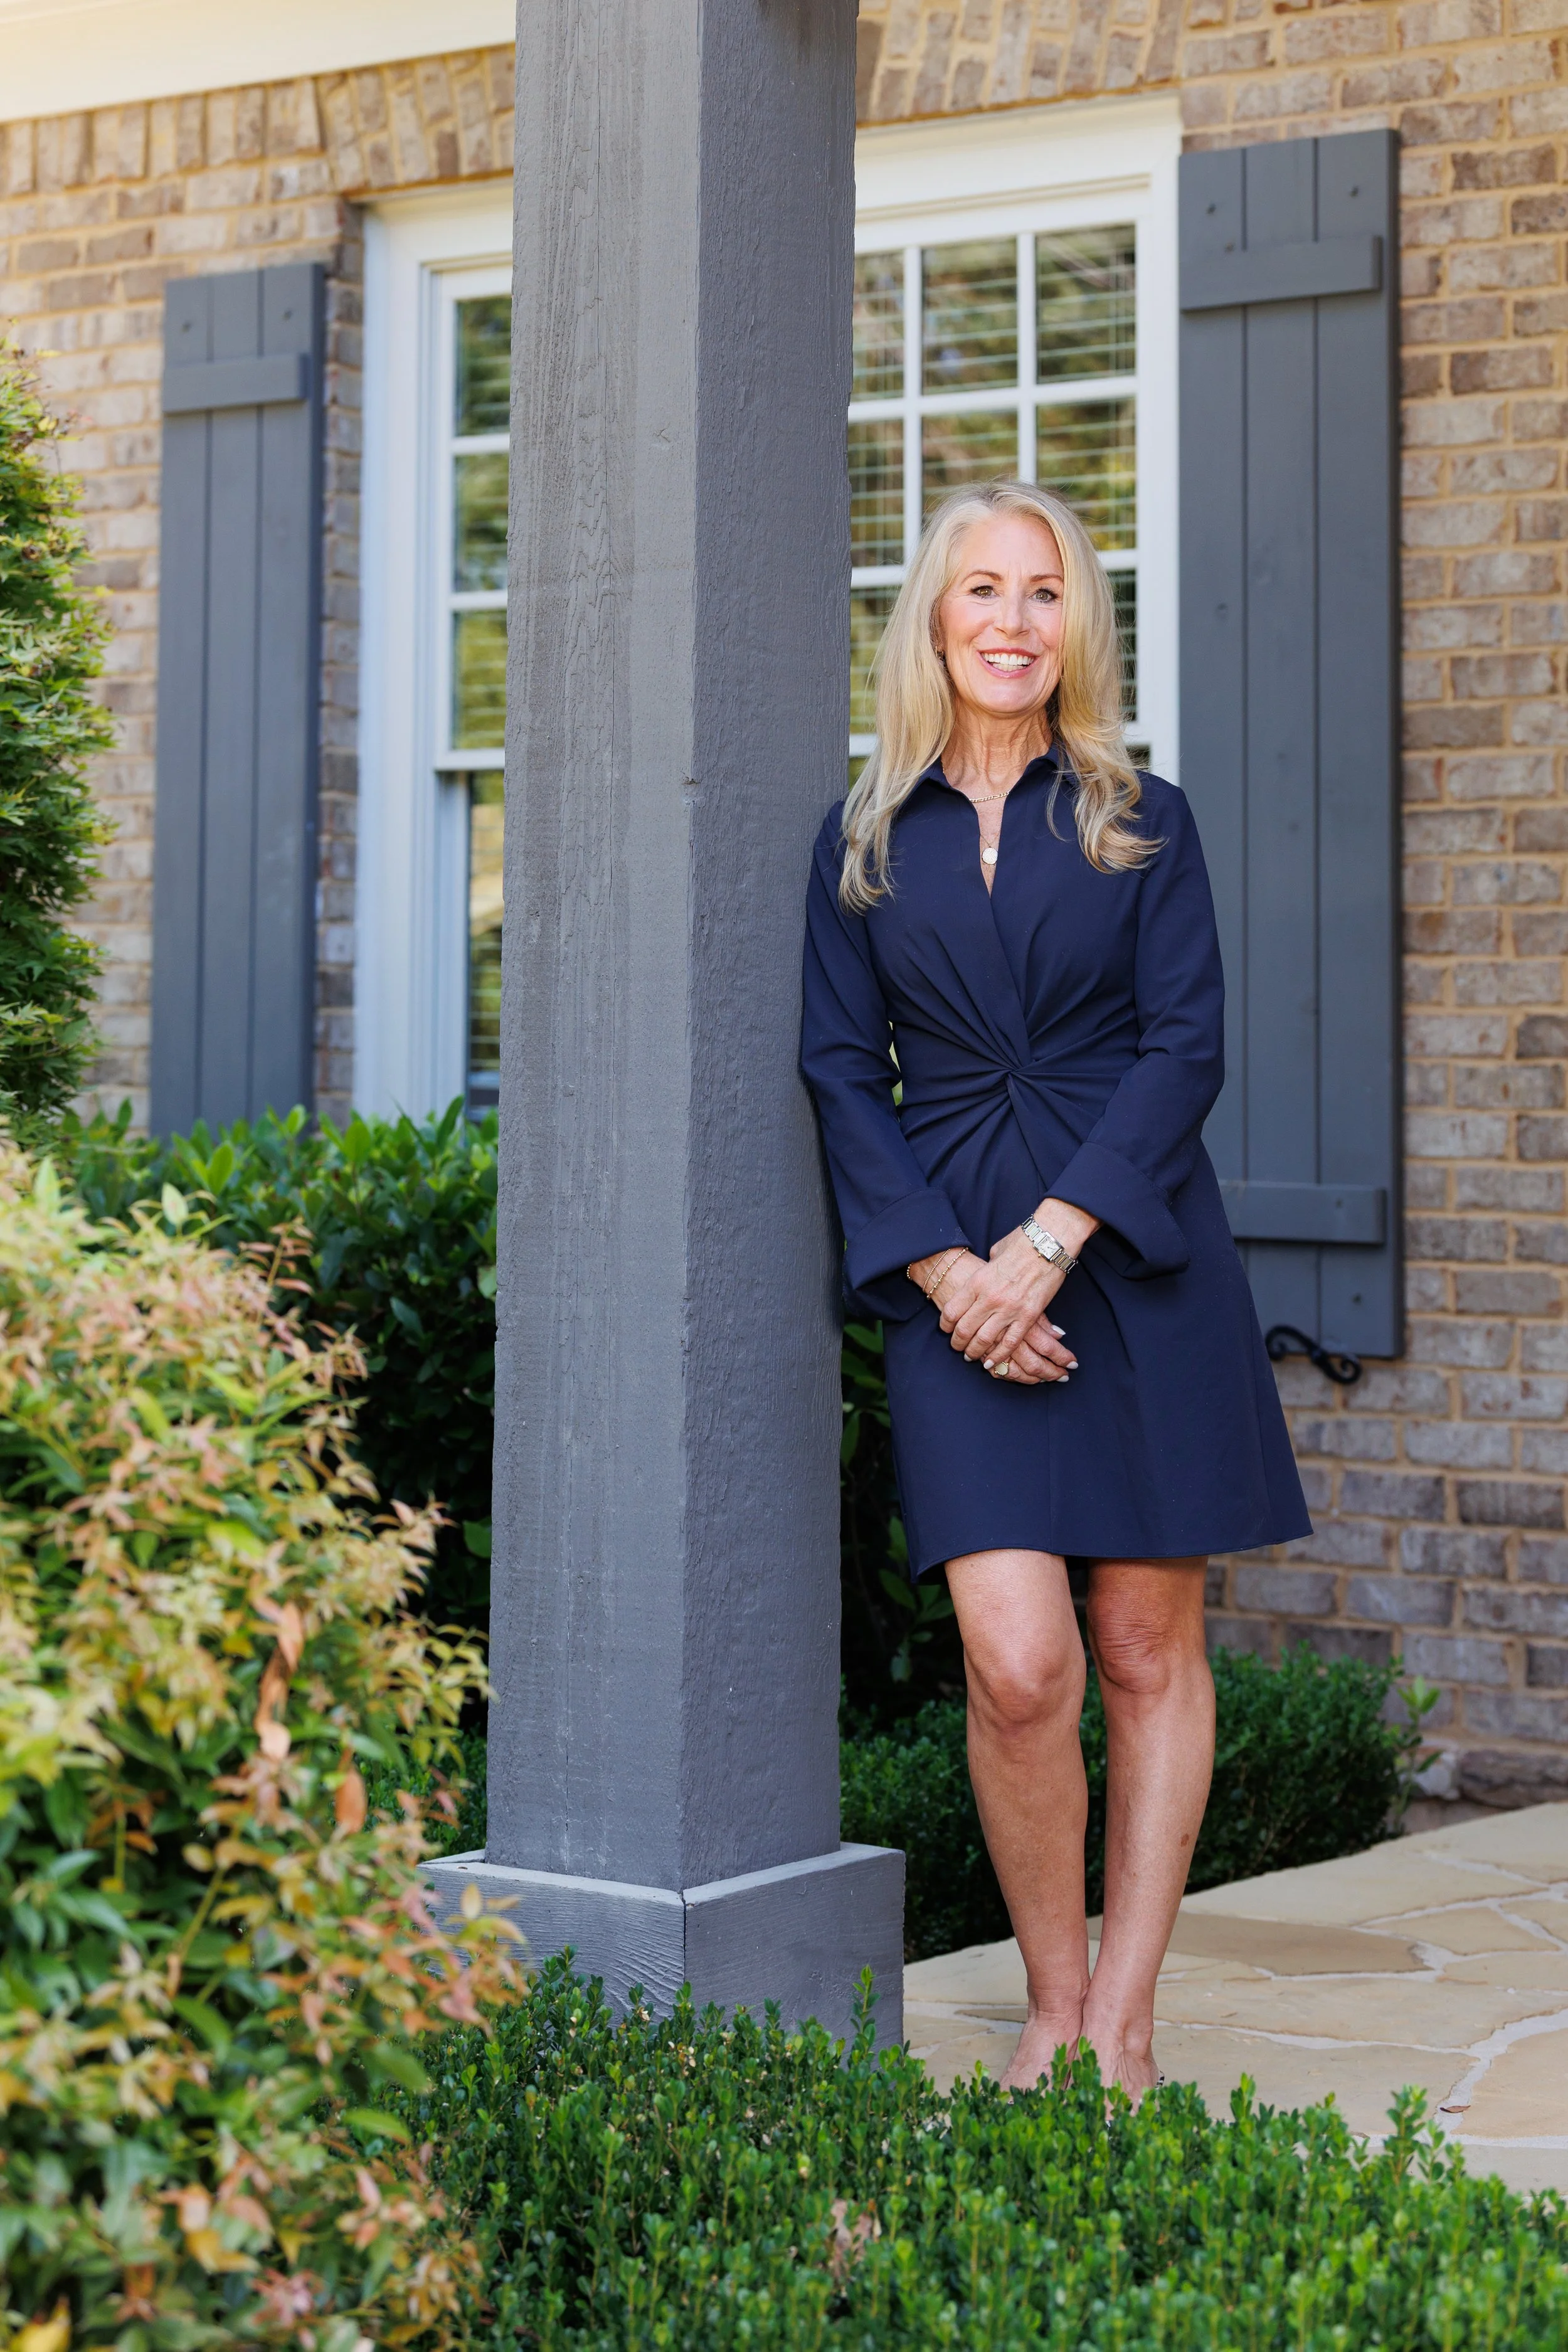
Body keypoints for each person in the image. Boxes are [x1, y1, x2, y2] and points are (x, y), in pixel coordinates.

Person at [802, 479, 1309, 2100]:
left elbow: (1185, 1045)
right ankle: (1046, 1992)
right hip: (949, 1273)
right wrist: (952, 1268)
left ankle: (1125, 2015)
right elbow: (835, 1065)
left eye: (1041, 592)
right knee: (1019, 1662)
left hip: (1130, 1256)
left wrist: (1049, 1239)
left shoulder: (1142, 813)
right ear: (933, 623)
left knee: (1147, 1644)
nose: (1012, 621)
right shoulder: (865, 835)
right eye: (980, 592)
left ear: (1072, 623)